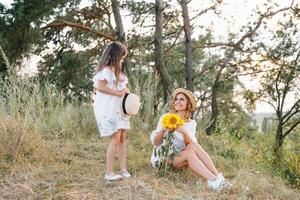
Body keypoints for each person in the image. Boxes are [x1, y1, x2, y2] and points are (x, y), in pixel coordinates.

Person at [150, 88, 231, 191]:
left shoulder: (191, 124)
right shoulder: (166, 117)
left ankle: (218, 177)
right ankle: (214, 180)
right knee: (189, 154)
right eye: (176, 99)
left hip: (179, 159)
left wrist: (183, 132)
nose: (177, 102)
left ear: (188, 104)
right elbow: (155, 143)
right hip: (163, 160)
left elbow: (190, 144)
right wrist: (163, 130)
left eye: (182, 99)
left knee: (193, 147)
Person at [92, 41, 131, 181]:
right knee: (115, 137)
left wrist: (125, 92)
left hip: (119, 109)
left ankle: (123, 168)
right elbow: (101, 88)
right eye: (121, 58)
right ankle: (108, 172)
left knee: (122, 138)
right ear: (115, 56)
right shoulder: (106, 71)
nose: (122, 60)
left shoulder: (118, 73)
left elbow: (120, 90)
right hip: (109, 109)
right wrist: (118, 93)